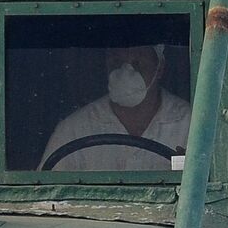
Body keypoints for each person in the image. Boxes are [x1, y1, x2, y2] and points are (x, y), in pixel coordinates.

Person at [38, 44, 189, 172]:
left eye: (137, 64)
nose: (126, 72)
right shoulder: (74, 129)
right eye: (117, 62)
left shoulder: (191, 124)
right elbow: (46, 196)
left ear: (159, 68)